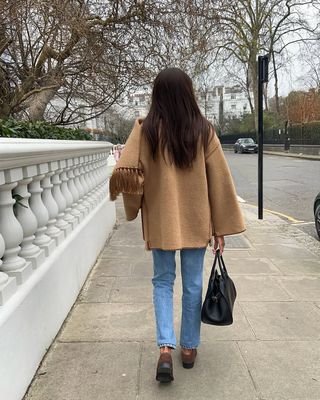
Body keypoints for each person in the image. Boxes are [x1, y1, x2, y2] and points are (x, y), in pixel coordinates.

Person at [109, 67, 246, 383]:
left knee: (162, 281)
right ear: (189, 94)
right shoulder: (203, 130)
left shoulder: (145, 131)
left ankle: (165, 350)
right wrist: (220, 228)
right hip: (197, 221)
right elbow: (220, 183)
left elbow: (129, 173)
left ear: (157, 95)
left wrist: (135, 206)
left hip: (160, 223)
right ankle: (189, 348)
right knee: (193, 283)